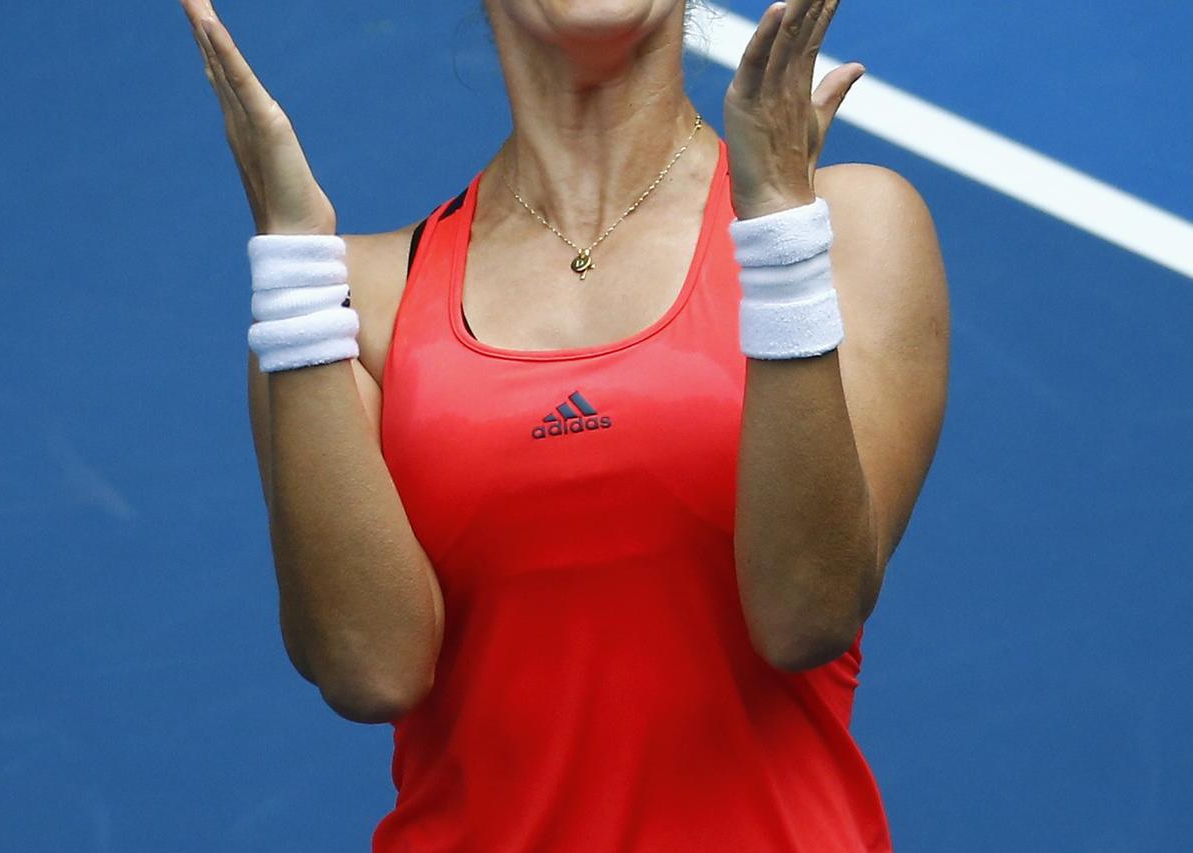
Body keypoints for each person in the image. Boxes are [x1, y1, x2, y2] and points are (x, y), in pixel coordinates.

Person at [179, 0, 949, 848]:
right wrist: (294, 276)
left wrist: (777, 238)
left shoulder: (837, 231)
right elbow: (370, 670)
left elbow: (808, 613)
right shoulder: (344, 303)